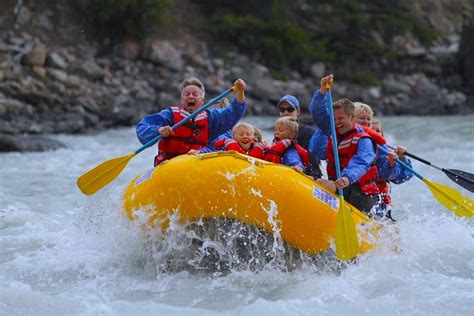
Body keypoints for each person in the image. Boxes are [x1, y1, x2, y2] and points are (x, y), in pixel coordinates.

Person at [309, 74, 383, 216]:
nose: (337, 121)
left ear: (352, 118)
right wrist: (322, 91)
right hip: (341, 186)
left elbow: (361, 162)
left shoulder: (364, 140)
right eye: (335, 118)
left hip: (362, 194)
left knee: (322, 183)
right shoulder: (334, 131)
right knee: (311, 179)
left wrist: (347, 178)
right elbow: (318, 114)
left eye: (341, 118)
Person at [136, 77, 247, 166]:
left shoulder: (211, 118)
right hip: (169, 166)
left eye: (195, 94)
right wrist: (158, 130)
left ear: (201, 100)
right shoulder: (170, 114)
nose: (190, 96)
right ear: (182, 99)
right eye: (187, 94)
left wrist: (240, 91)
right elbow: (143, 126)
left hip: (196, 166)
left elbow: (233, 112)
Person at [277, 95, 324, 178]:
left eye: (290, 109)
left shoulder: (308, 132)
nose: (286, 112)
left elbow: (313, 160)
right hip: (285, 173)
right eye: (282, 110)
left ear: (298, 111)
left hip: (309, 176)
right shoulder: (277, 134)